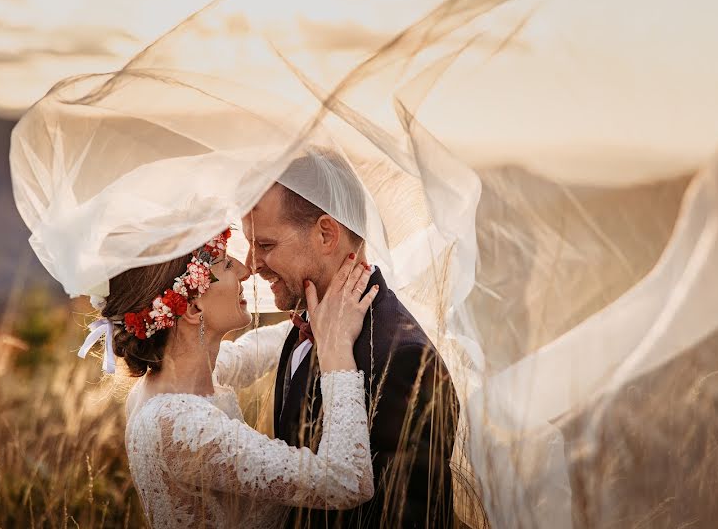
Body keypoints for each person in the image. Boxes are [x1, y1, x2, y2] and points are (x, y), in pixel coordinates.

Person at [89, 229, 378, 528]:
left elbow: (247, 353)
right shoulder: (178, 423)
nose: (244, 270)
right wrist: (337, 351)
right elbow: (347, 481)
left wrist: (316, 323)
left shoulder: (173, 382)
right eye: (226, 264)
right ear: (191, 307)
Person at [243, 152, 460, 528]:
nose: (252, 264)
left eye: (265, 245)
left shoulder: (405, 359)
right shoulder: (310, 316)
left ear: (326, 233)